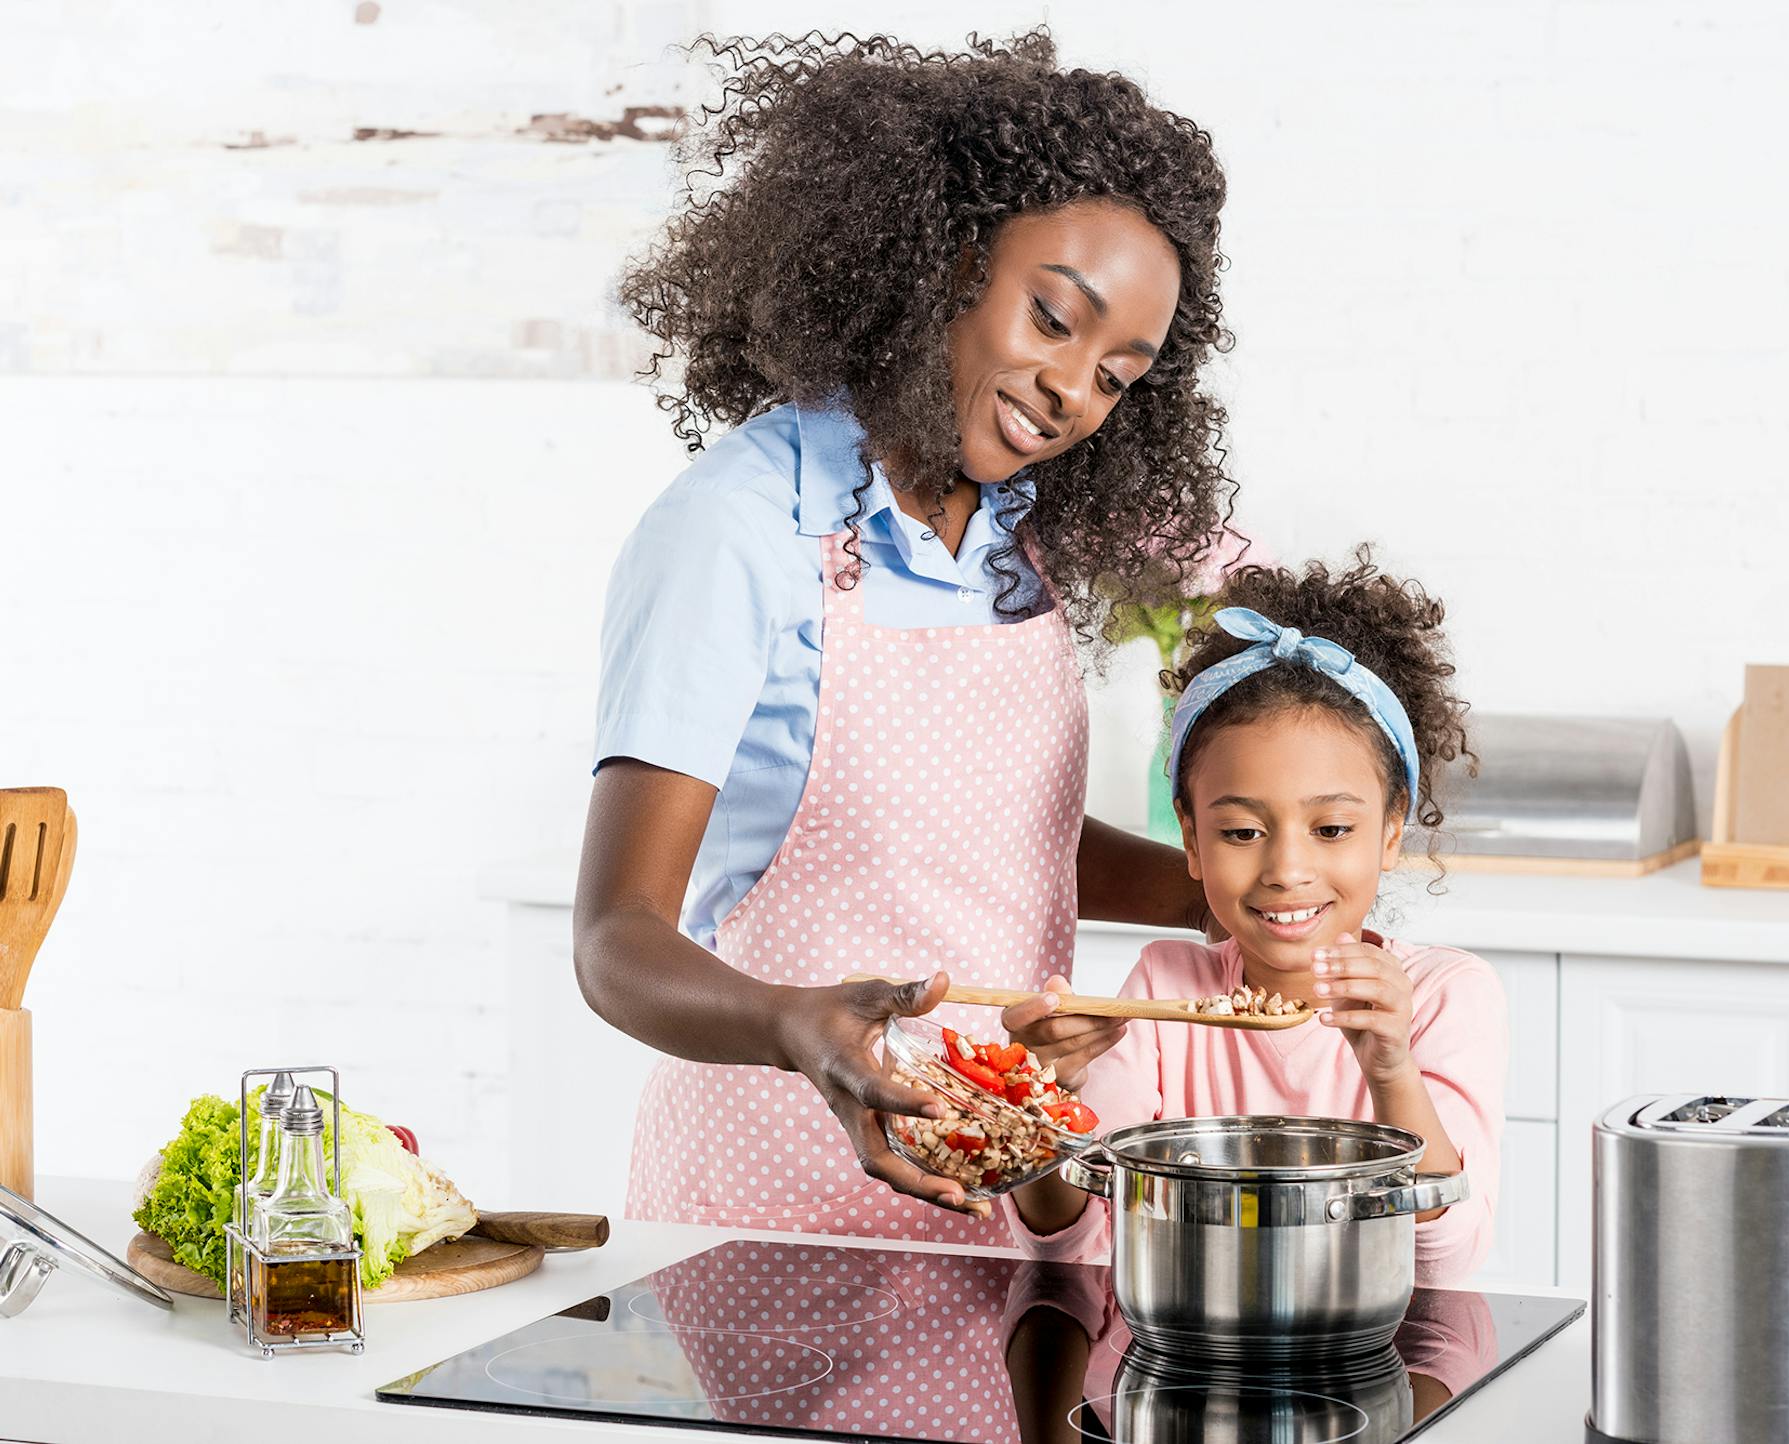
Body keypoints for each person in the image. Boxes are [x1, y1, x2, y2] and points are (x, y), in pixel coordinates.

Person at [573, 29, 1239, 1244]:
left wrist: (1231, 891)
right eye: (1052, 319)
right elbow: (617, 940)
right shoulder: (739, 527)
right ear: (943, 260)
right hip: (779, 1207)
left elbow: (991, 839)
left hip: (1009, 1183)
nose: (1071, 391)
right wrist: (793, 1027)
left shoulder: (1016, 533)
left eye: (1118, 375)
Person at [1007, 550, 1506, 1283]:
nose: (1286, 870)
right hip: (1184, 1352)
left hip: (1374, 1359)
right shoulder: (1164, 990)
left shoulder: (1442, 996)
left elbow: (1446, 1255)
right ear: (1192, 839)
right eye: (1242, 832)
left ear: (1391, 832)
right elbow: (1071, 1240)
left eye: (1331, 829)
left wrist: (1392, 1068)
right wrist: (1041, 1103)